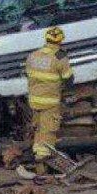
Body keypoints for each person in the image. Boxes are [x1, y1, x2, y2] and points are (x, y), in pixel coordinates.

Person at [24, 26, 73, 173]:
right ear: (60, 41)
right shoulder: (60, 57)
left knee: (39, 130)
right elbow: (68, 78)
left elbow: (28, 75)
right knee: (49, 131)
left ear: (46, 39)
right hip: (50, 102)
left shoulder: (33, 55)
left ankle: (38, 156)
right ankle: (42, 165)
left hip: (34, 101)